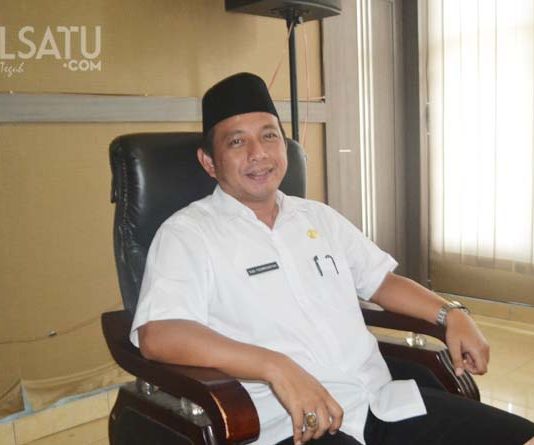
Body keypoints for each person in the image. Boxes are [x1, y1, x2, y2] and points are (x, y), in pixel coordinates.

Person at [130, 72, 534, 445]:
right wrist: (275, 366)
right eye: (237, 142)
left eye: (269, 136)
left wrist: (452, 314)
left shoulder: (318, 218)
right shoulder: (188, 233)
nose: (258, 153)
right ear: (209, 161)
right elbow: (159, 333)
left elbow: (381, 282)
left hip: (381, 403)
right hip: (294, 425)